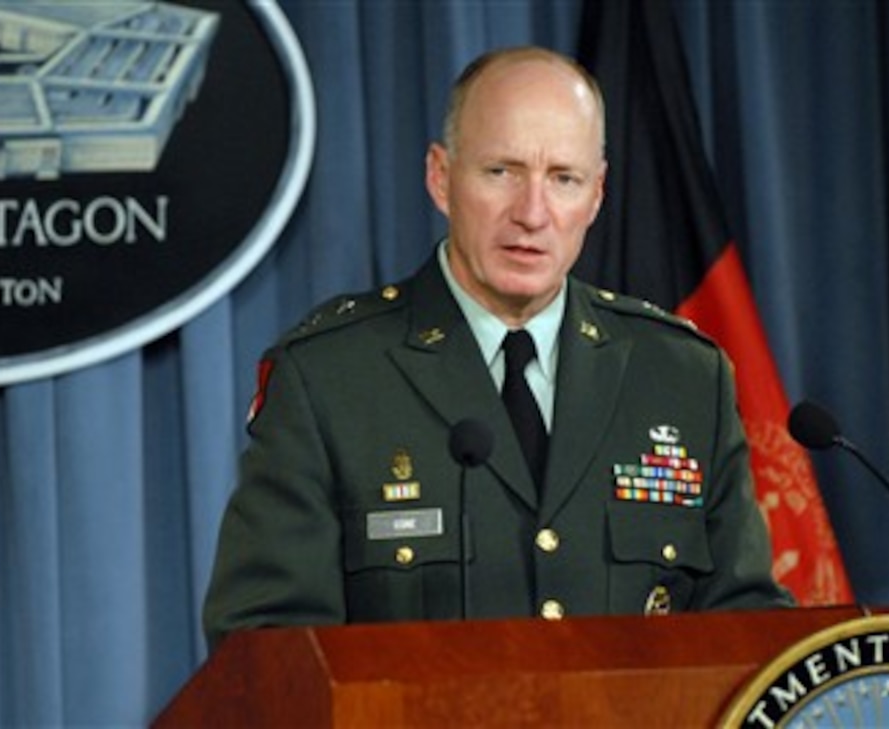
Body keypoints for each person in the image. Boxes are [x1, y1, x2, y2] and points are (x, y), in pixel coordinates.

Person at [203, 46, 792, 651]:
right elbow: (266, 654)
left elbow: (749, 634)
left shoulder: (684, 378)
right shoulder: (329, 378)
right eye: (501, 172)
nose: (532, 213)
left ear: (596, 194)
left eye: (563, 179)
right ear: (441, 178)